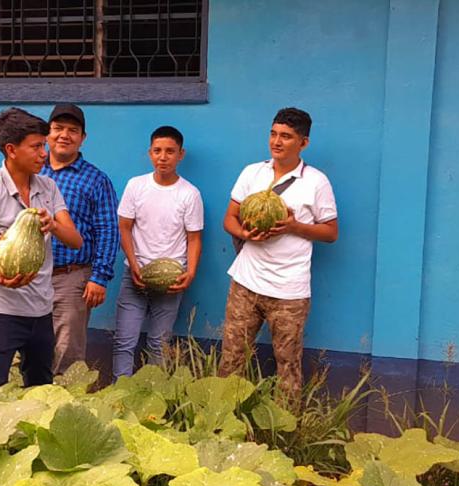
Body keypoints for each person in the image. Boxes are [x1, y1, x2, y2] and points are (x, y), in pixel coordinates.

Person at [219, 107, 338, 400]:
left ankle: (285, 425)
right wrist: (245, 233)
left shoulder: (316, 181)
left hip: (289, 291)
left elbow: (331, 232)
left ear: (303, 143)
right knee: (231, 361)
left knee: (288, 367)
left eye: (286, 136)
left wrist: (293, 226)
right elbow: (229, 218)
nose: (277, 141)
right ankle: (223, 420)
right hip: (245, 283)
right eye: (273, 134)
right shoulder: (252, 172)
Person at [0, 107, 83, 389]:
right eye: (36, 147)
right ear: (11, 150)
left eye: (44, 145)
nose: (44, 153)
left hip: (41, 308)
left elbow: (75, 240)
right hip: (1, 309)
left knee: (40, 389)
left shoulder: (48, 187)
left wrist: (53, 224)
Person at [112, 126, 204, 381]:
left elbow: (194, 238)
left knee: (158, 344)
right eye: (157, 151)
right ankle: (119, 392)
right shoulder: (136, 186)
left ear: (180, 155)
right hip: (135, 276)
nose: (163, 157)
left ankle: (154, 395)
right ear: (150, 153)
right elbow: (124, 227)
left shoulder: (189, 194)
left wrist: (190, 273)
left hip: (171, 281)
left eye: (170, 151)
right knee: (124, 341)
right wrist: (134, 265)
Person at [40, 104, 119, 375]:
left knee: (67, 350)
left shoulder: (96, 180)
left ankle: (65, 398)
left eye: (73, 130)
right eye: (58, 128)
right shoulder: (32, 171)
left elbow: (108, 229)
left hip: (71, 278)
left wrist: (99, 277)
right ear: (47, 134)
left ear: (82, 138)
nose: (65, 135)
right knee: (31, 344)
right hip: (30, 277)